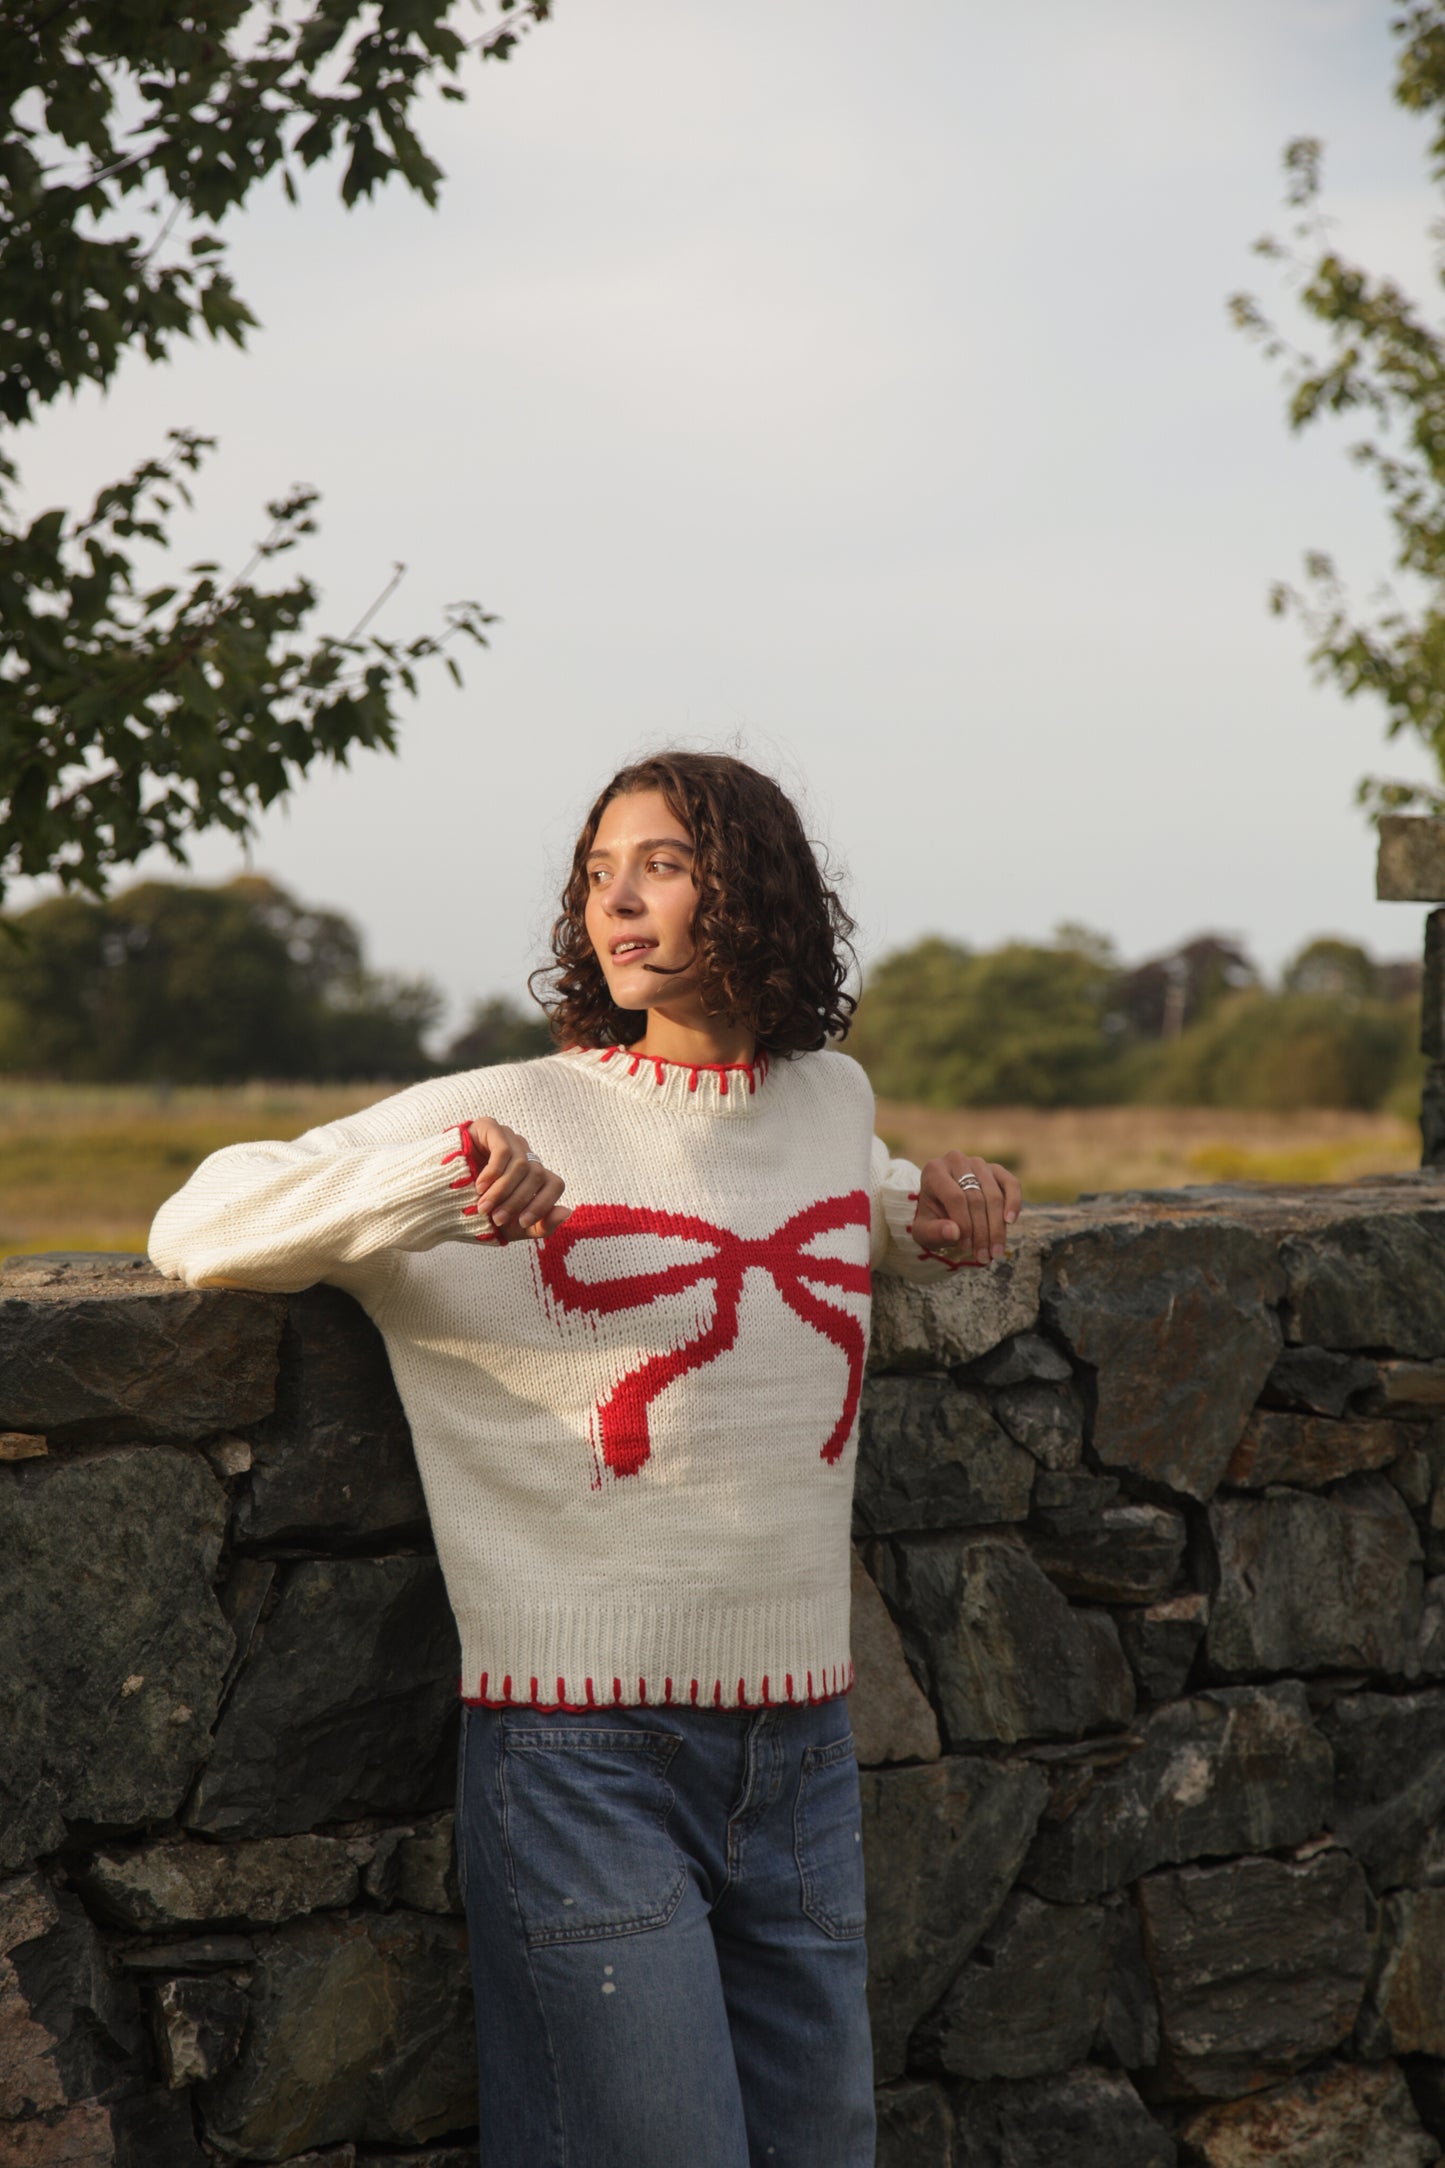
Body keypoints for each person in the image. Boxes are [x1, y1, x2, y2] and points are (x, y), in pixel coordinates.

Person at [149, 750, 1021, 2168]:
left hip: (800, 1740)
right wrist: (440, 1186)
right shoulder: (514, 1112)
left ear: (754, 893)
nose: (618, 899)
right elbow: (196, 1223)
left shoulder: (826, 1101)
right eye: (598, 871)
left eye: (662, 864)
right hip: (580, 1752)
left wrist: (957, 1214)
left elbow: (828, 1219)